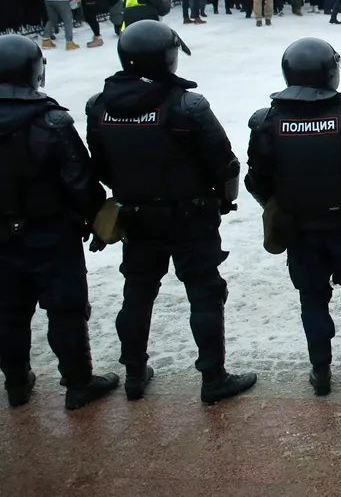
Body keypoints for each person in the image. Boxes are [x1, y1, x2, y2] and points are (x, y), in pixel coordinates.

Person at [86, 21, 255, 404]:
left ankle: (133, 373)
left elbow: (98, 165)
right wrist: (224, 200)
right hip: (189, 216)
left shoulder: (100, 106)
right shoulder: (186, 105)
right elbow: (225, 163)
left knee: (138, 291)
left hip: (136, 216)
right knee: (204, 294)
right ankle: (213, 377)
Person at [245, 38, 341, 395]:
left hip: (299, 229)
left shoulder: (268, 121)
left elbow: (256, 180)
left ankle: (320, 370)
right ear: (329, 73)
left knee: (312, 298)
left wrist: (279, 205)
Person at [0, 34, 119, 410]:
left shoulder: (51, 120)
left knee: (8, 312)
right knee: (65, 310)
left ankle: (16, 382)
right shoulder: (52, 121)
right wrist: (97, 219)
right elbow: (80, 180)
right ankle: (79, 382)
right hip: (51, 232)